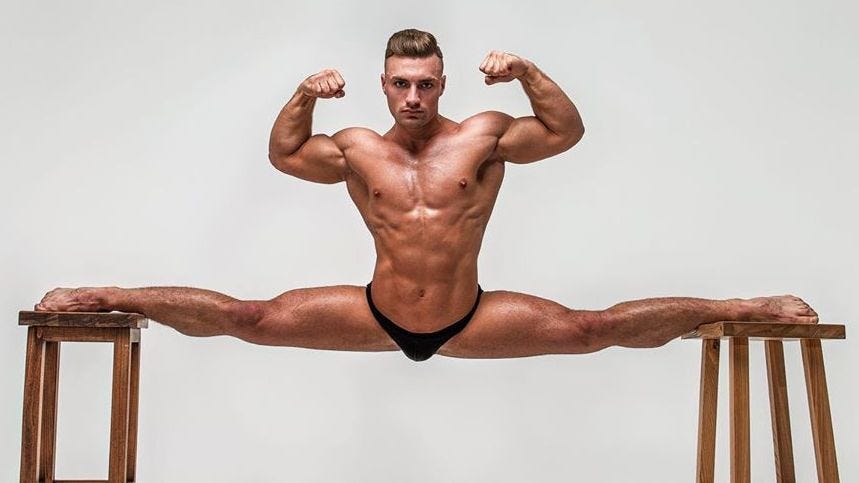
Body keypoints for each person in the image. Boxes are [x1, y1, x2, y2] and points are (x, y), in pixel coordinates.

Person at [34, 29, 819, 361]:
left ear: (441, 84)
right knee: (249, 316)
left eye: (425, 84)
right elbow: (283, 155)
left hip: (467, 314)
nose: (413, 95)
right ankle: (109, 292)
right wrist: (302, 94)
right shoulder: (355, 147)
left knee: (591, 328)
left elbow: (565, 131)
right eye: (401, 83)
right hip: (373, 310)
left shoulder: (483, 134)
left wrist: (526, 72)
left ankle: (743, 305)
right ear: (383, 84)